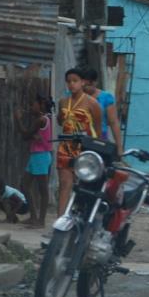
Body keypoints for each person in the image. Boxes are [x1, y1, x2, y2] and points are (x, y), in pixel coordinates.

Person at [56, 68, 102, 216]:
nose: (71, 84)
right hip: (66, 146)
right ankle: (60, 222)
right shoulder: (63, 101)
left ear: (82, 82)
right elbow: (60, 121)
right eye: (69, 81)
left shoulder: (92, 103)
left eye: (75, 81)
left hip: (85, 148)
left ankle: (78, 217)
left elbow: (97, 127)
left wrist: (97, 149)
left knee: (82, 186)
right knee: (64, 184)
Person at [15, 94, 54, 227]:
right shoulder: (44, 118)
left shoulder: (40, 120)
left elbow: (25, 135)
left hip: (40, 156)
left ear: (41, 105)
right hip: (37, 155)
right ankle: (34, 217)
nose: (30, 107)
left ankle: (40, 220)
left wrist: (18, 120)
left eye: (33, 104)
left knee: (42, 189)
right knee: (25, 185)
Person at [81, 68, 123, 155]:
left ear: (95, 83)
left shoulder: (106, 97)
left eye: (88, 85)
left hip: (100, 139)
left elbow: (113, 122)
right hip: (80, 138)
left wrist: (119, 147)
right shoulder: (76, 97)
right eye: (83, 85)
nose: (85, 88)